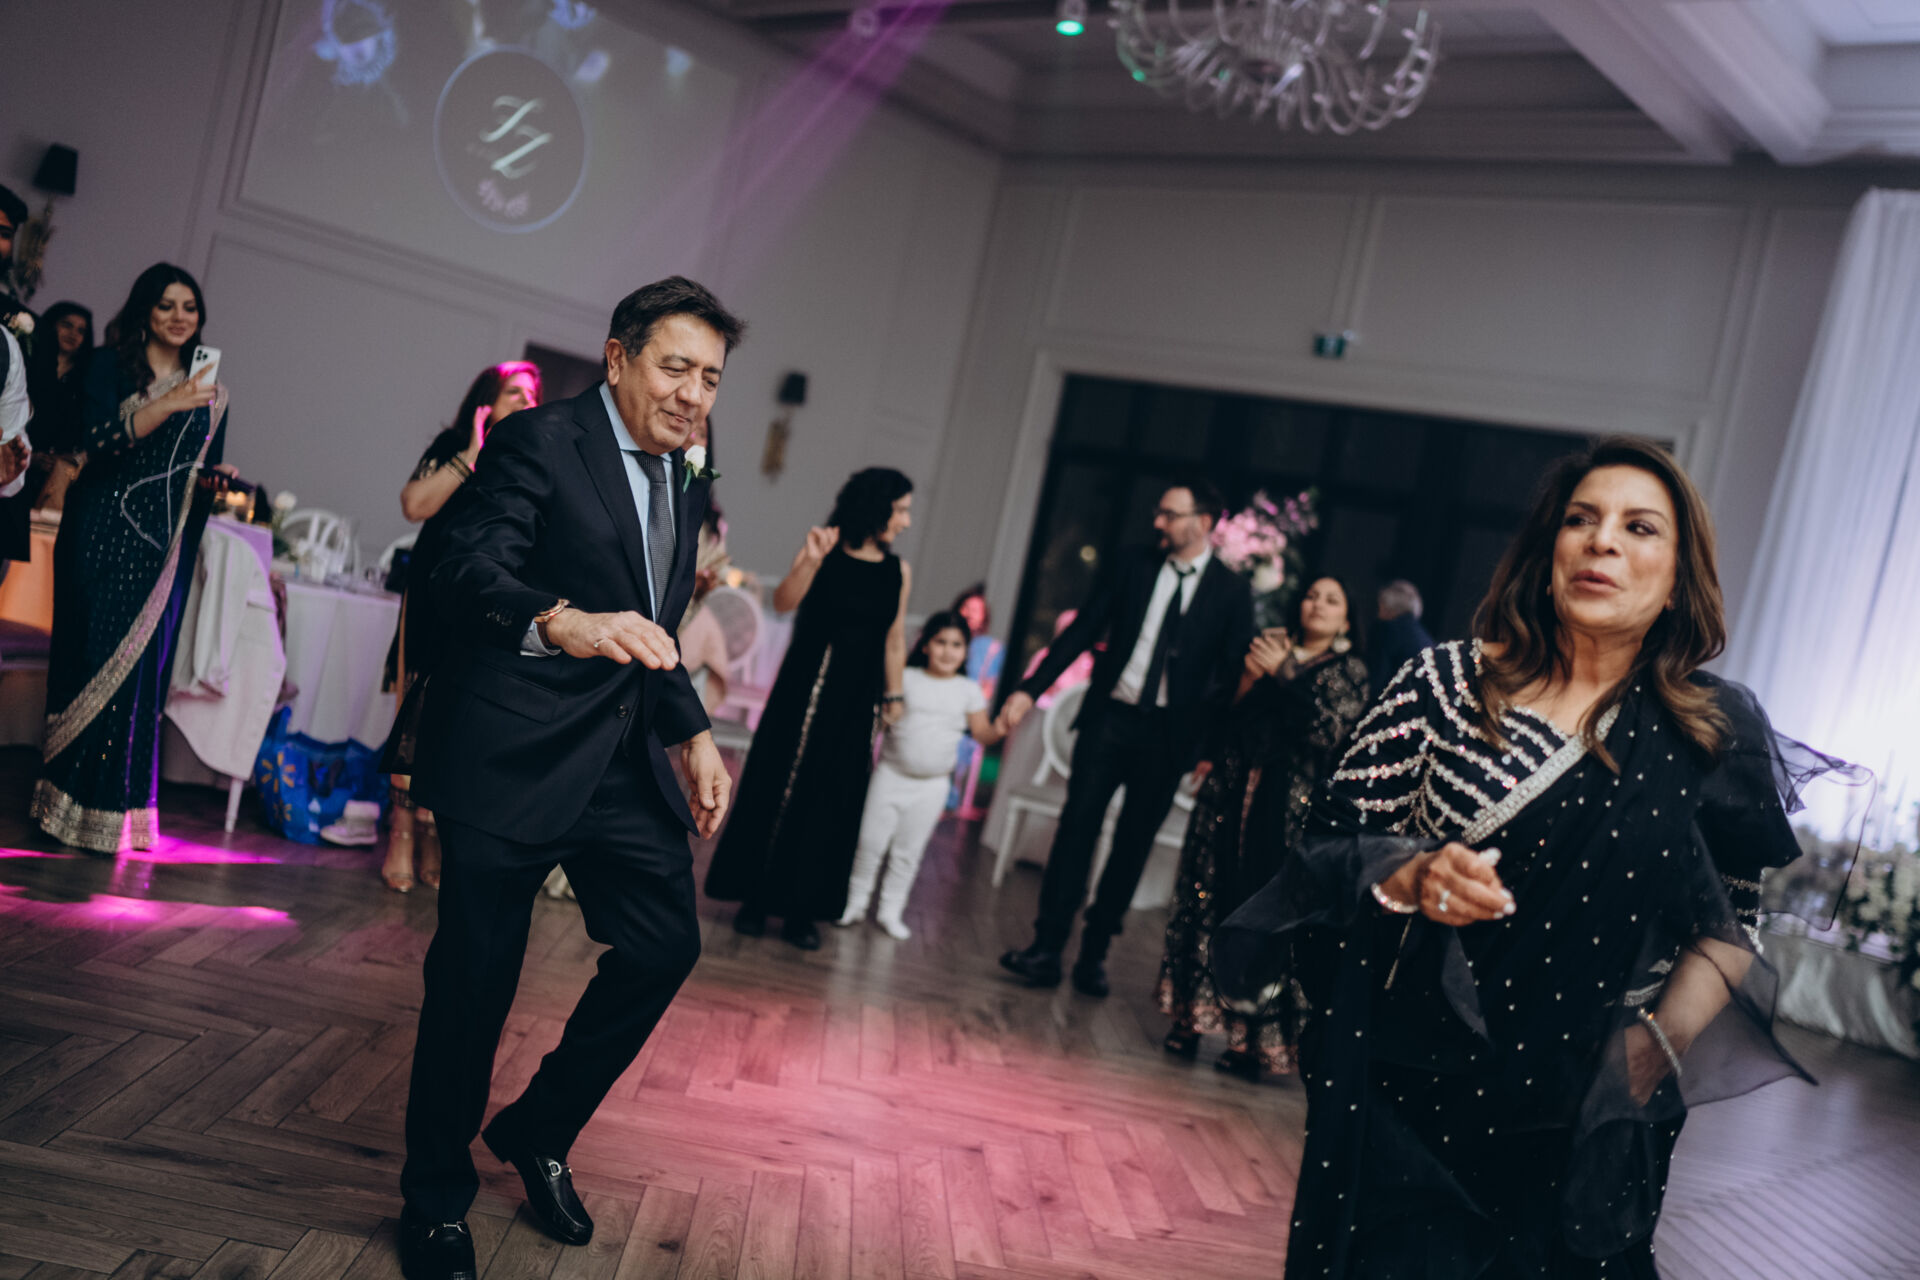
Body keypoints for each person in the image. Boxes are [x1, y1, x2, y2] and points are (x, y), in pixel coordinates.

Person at [1212, 437, 1856, 1278]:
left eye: (1639, 527)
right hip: (1417, 1096)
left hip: (1584, 1111)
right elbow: (1324, 853)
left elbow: (1731, 927)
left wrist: (1653, 1050)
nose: (1602, 541)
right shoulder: (1442, 687)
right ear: (1549, 550)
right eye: (1581, 519)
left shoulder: (1707, 732)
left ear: (1677, 579)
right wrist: (1414, 874)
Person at [397, 277, 739, 1279]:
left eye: (711, 377)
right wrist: (559, 620)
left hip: (618, 760)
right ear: (620, 356)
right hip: (510, 752)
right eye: (676, 367)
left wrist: (694, 732)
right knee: (474, 984)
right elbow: (463, 569)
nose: (693, 394)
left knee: (664, 946)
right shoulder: (539, 441)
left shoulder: (687, 475)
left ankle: (539, 1126)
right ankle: (435, 1201)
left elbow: (654, 622)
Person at [998, 481, 1254, 996]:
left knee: (1133, 844)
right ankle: (1046, 947)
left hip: (1168, 736)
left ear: (1203, 522)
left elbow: (1230, 679)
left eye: (1170, 514)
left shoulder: (1231, 591)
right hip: (1109, 720)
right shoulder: (1133, 564)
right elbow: (1083, 629)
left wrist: (1210, 750)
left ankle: (1094, 954)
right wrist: (1030, 688)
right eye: (1158, 512)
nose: (1158, 522)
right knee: (1076, 828)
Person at [33, 264, 230, 852]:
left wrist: (213, 482)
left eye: (189, 306)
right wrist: (170, 401)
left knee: (138, 676)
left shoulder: (213, 392)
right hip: (99, 534)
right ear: (145, 310)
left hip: (159, 551)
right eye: (166, 305)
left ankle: (115, 814)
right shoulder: (106, 366)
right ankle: (62, 806)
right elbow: (96, 441)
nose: (178, 317)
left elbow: (194, 472)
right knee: (89, 659)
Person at [1156, 575, 1369, 1080]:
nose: (1317, 604)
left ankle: (1251, 1041)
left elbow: (1327, 731)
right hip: (1229, 796)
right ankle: (1189, 1015)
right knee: (1206, 900)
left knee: (1265, 918)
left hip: (1290, 812)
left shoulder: (1350, 670)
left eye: (1332, 600)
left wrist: (1285, 675)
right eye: (1312, 595)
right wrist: (1252, 681)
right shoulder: (1270, 646)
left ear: (1346, 619)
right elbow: (1228, 713)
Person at [704, 466, 914, 950]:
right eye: (900, 510)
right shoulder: (824, 550)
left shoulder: (897, 572)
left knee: (832, 798)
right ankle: (755, 899)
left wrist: (895, 695)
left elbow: (894, 640)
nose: (905, 521)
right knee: (778, 786)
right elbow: (784, 602)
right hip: (803, 693)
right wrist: (809, 562)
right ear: (876, 507)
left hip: (855, 703)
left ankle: (803, 909)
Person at [379, 361, 542, 892]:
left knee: (456, 722)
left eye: (532, 395)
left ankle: (432, 833)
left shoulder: (532, 459)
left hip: (484, 607)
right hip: (433, 593)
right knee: (416, 714)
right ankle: (401, 832)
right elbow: (414, 505)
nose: (526, 402)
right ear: (486, 402)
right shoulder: (454, 445)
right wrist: (473, 450)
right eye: (514, 393)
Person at [838, 610, 1007, 939]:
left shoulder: (968, 690)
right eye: (941, 642)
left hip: (932, 786)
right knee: (869, 844)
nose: (948, 651)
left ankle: (890, 910)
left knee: (908, 852)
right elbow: (881, 719)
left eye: (956, 645)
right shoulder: (904, 678)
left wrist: (1000, 728)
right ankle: (854, 902)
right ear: (926, 645)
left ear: (966, 651)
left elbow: (982, 733)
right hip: (890, 775)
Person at [1370, 577, 1434, 682]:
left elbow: (1378, 677)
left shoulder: (1388, 630)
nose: (1378, 614)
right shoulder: (1425, 637)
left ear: (1387, 606)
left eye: (1379, 605)